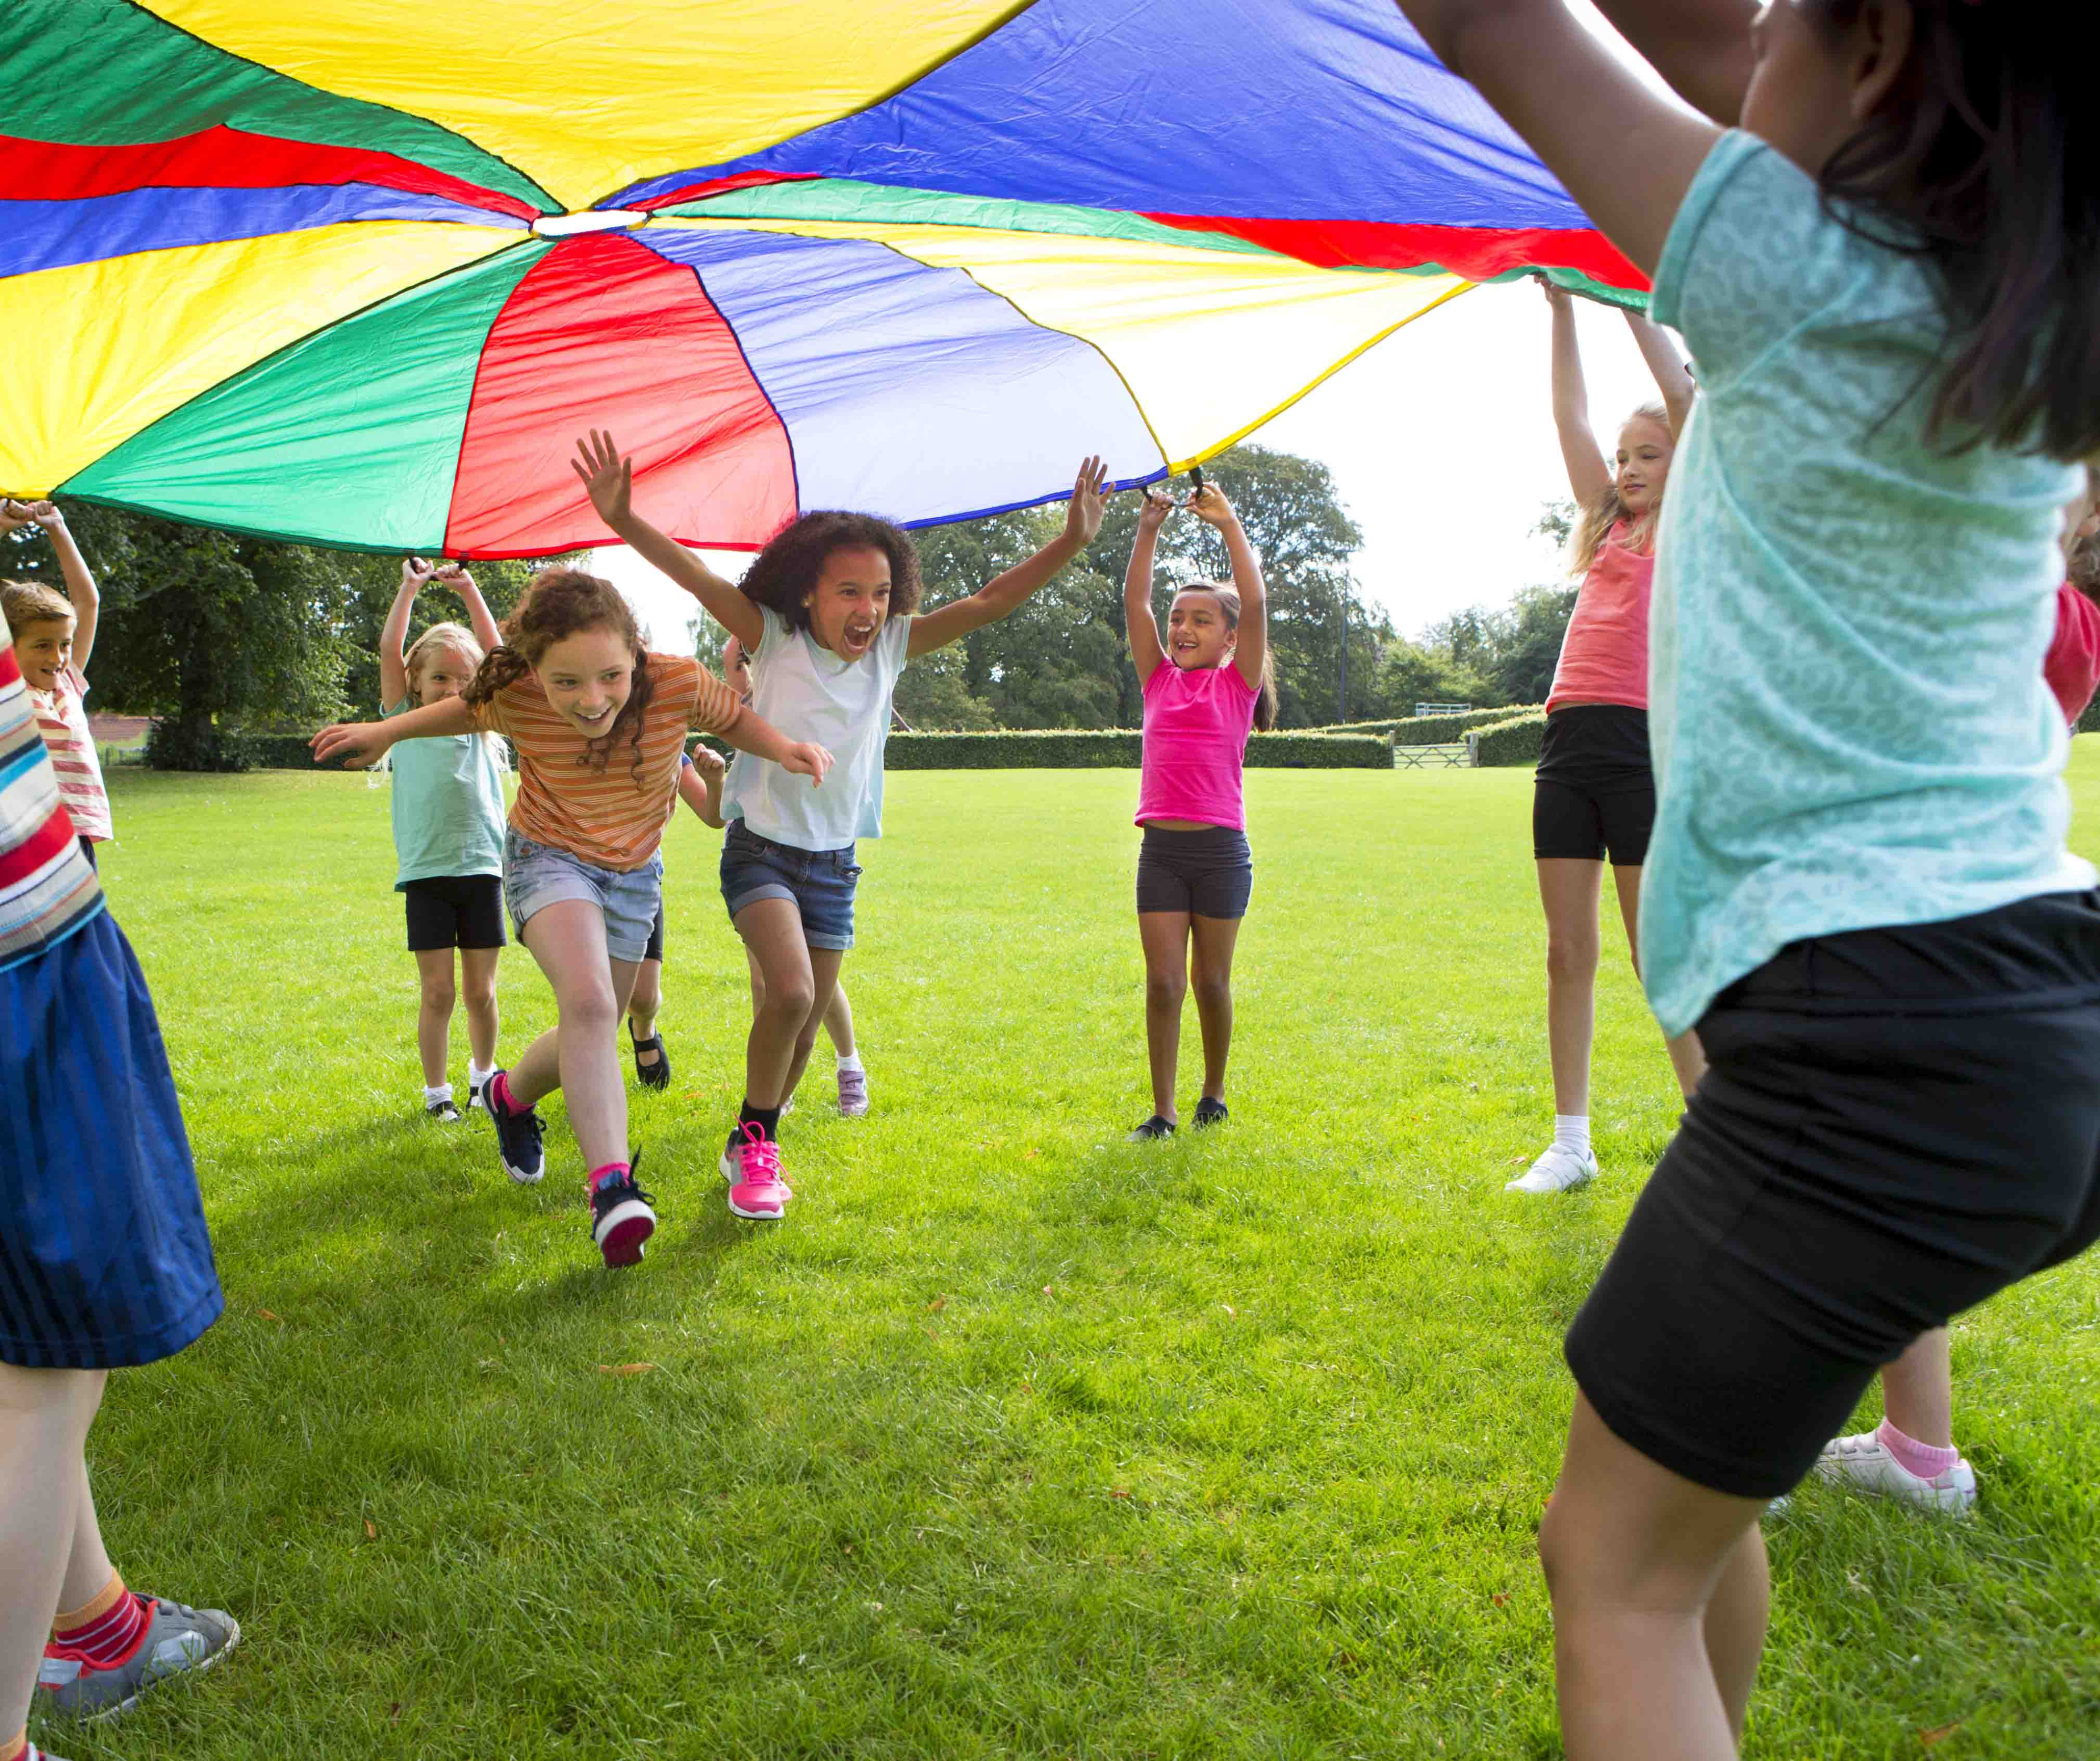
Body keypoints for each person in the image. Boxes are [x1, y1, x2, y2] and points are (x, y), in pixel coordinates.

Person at [1389, 3, 2100, 1757]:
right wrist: (1803, 41)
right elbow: (1752, 64)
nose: (1740, 34)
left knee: (1612, 1564)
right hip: (2028, 1002)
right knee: (1696, 1507)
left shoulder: (1791, 264)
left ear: (1876, 65)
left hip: (1878, 1031)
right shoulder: (2004, 298)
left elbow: (1498, 26)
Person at [575, 431, 1107, 1218]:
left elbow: (990, 602)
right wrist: (625, 518)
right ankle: (759, 1139)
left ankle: (751, 1139)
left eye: (882, 592)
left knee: (805, 1019)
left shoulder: (893, 647)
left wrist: (1069, 541)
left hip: (835, 864)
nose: (869, 609)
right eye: (850, 591)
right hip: (761, 852)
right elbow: (694, 574)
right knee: (788, 993)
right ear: (810, 596)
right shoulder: (774, 637)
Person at [313, 564, 830, 1269]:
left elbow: (734, 717)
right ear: (535, 671)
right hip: (546, 860)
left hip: (632, 876)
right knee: (588, 1002)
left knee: (597, 1022)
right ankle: (613, 1189)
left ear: (636, 653)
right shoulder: (516, 695)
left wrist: (786, 748)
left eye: (611, 676)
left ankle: (508, 1097)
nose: (592, 700)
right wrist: (388, 733)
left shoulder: (675, 682)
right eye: (567, 683)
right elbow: (460, 711)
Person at [1819, 469, 2100, 1516]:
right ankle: (1916, 1450)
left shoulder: (2022, 606)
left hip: (1921, 929)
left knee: (1856, 1185)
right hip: (1980, 936)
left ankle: (1757, 1443)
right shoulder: (2061, 617)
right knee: (1886, 1190)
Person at [1, 617, 237, 1761]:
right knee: (36, 1379)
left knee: (26, 1351)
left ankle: (94, 1631)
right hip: (17, 968)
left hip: (26, 952)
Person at [1510, 285, 1707, 1195]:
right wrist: (1558, 309)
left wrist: (1629, 300)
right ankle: (1571, 1140)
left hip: (1643, 746)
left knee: (1652, 948)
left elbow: (1688, 404)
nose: (1628, 466)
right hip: (1569, 744)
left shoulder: (1695, 523)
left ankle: (1712, 1128)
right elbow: (1566, 412)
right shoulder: (1605, 531)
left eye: (1648, 454)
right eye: (1623, 456)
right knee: (1567, 949)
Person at [1120, 480, 1273, 1140]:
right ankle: (1163, 1110)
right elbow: (1135, 603)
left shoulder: (1237, 686)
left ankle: (1213, 1093)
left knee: (1211, 982)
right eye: (1179, 618)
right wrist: (1148, 529)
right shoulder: (1156, 678)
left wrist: (1229, 525)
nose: (1182, 628)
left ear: (1232, 638)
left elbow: (1258, 598)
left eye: (1200, 620)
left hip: (1218, 855)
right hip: (1161, 854)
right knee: (1163, 984)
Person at [375, 558, 507, 1123]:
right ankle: (437, 1095)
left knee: (480, 992)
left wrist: (471, 590)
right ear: (415, 683)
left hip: (482, 870)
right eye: (439, 679)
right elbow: (388, 650)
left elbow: (501, 658)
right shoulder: (401, 720)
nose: (451, 689)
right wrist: (409, 587)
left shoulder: (484, 718)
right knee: (438, 993)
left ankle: (483, 1080)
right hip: (427, 876)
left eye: (461, 680)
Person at [0, 501, 111, 867]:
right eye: (42, 646)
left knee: (82, 926)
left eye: (64, 644)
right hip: (22, 840)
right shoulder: (8, 692)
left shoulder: (67, 685)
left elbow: (88, 602)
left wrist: (58, 530)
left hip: (76, 841)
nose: (58, 657)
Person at [622, 747, 724, 1093]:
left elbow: (714, 816)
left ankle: (644, 1028)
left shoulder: (662, 740)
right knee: (592, 998)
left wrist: (715, 782)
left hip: (639, 876)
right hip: (575, 876)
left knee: (643, 998)